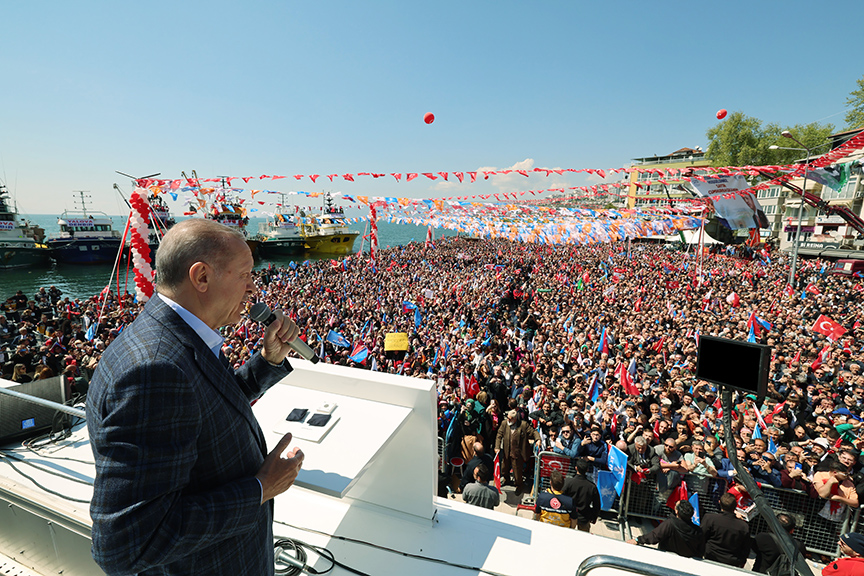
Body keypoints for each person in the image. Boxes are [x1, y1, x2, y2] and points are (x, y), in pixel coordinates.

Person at [86, 219, 305, 576]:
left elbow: (209, 403)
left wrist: (268, 362)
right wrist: (261, 488)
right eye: (246, 275)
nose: (254, 289)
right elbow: (127, 543)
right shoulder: (156, 371)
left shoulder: (172, 336)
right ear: (201, 277)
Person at [627, 499, 704, 559]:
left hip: (666, 559)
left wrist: (637, 540)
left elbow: (654, 536)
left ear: (676, 511)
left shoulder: (670, 524)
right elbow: (700, 551)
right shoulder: (698, 531)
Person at [495, 409, 541, 494]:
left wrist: (538, 439)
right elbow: (499, 435)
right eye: (507, 418)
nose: (508, 420)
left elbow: (533, 432)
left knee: (517, 472)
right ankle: (506, 480)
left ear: (515, 419)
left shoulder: (523, 425)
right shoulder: (504, 423)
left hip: (517, 453)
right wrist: (497, 447)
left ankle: (519, 485)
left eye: (510, 419)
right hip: (506, 452)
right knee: (504, 468)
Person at [701, 493, 750, 567]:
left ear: (720, 503)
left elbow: (701, 536)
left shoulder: (710, 518)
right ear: (735, 506)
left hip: (710, 557)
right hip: (732, 561)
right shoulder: (743, 526)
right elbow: (745, 549)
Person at [562, 458, 601, 532]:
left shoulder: (568, 482)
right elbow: (597, 505)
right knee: (583, 540)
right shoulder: (592, 487)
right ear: (587, 470)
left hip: (568, 516)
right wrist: (594, 517)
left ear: (576, 468)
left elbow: (562, 498)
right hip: (584, 518)